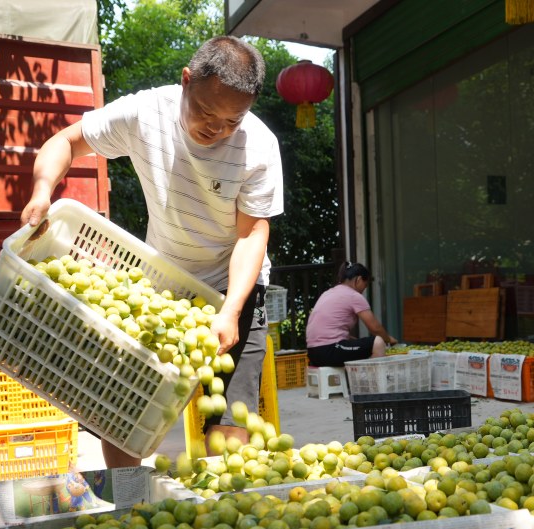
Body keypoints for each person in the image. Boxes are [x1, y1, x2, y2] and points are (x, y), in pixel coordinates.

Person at [20, 36, 283, 467]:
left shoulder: (259, 147)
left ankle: (223, 506)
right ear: (186, 81)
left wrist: (231, 310)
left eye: (232, 120)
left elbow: (252, 235)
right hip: (162, 284)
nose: (215, 128)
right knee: (124, 409)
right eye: (205, 111)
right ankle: (130, 504)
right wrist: (43, 191)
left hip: (234, 289)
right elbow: (64, 143)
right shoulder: (145, 113)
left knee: (230, 419)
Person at [306, 262, 398, 366]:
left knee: (364, 345)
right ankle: (368, 381)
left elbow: (333, 333)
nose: (364, 289)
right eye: (365, 284)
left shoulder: (328, 293)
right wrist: (389, 339)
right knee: (378, 343)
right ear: (358, 280)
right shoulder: (353, 296)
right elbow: (375, 328)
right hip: (329, 350)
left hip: (314, 352)